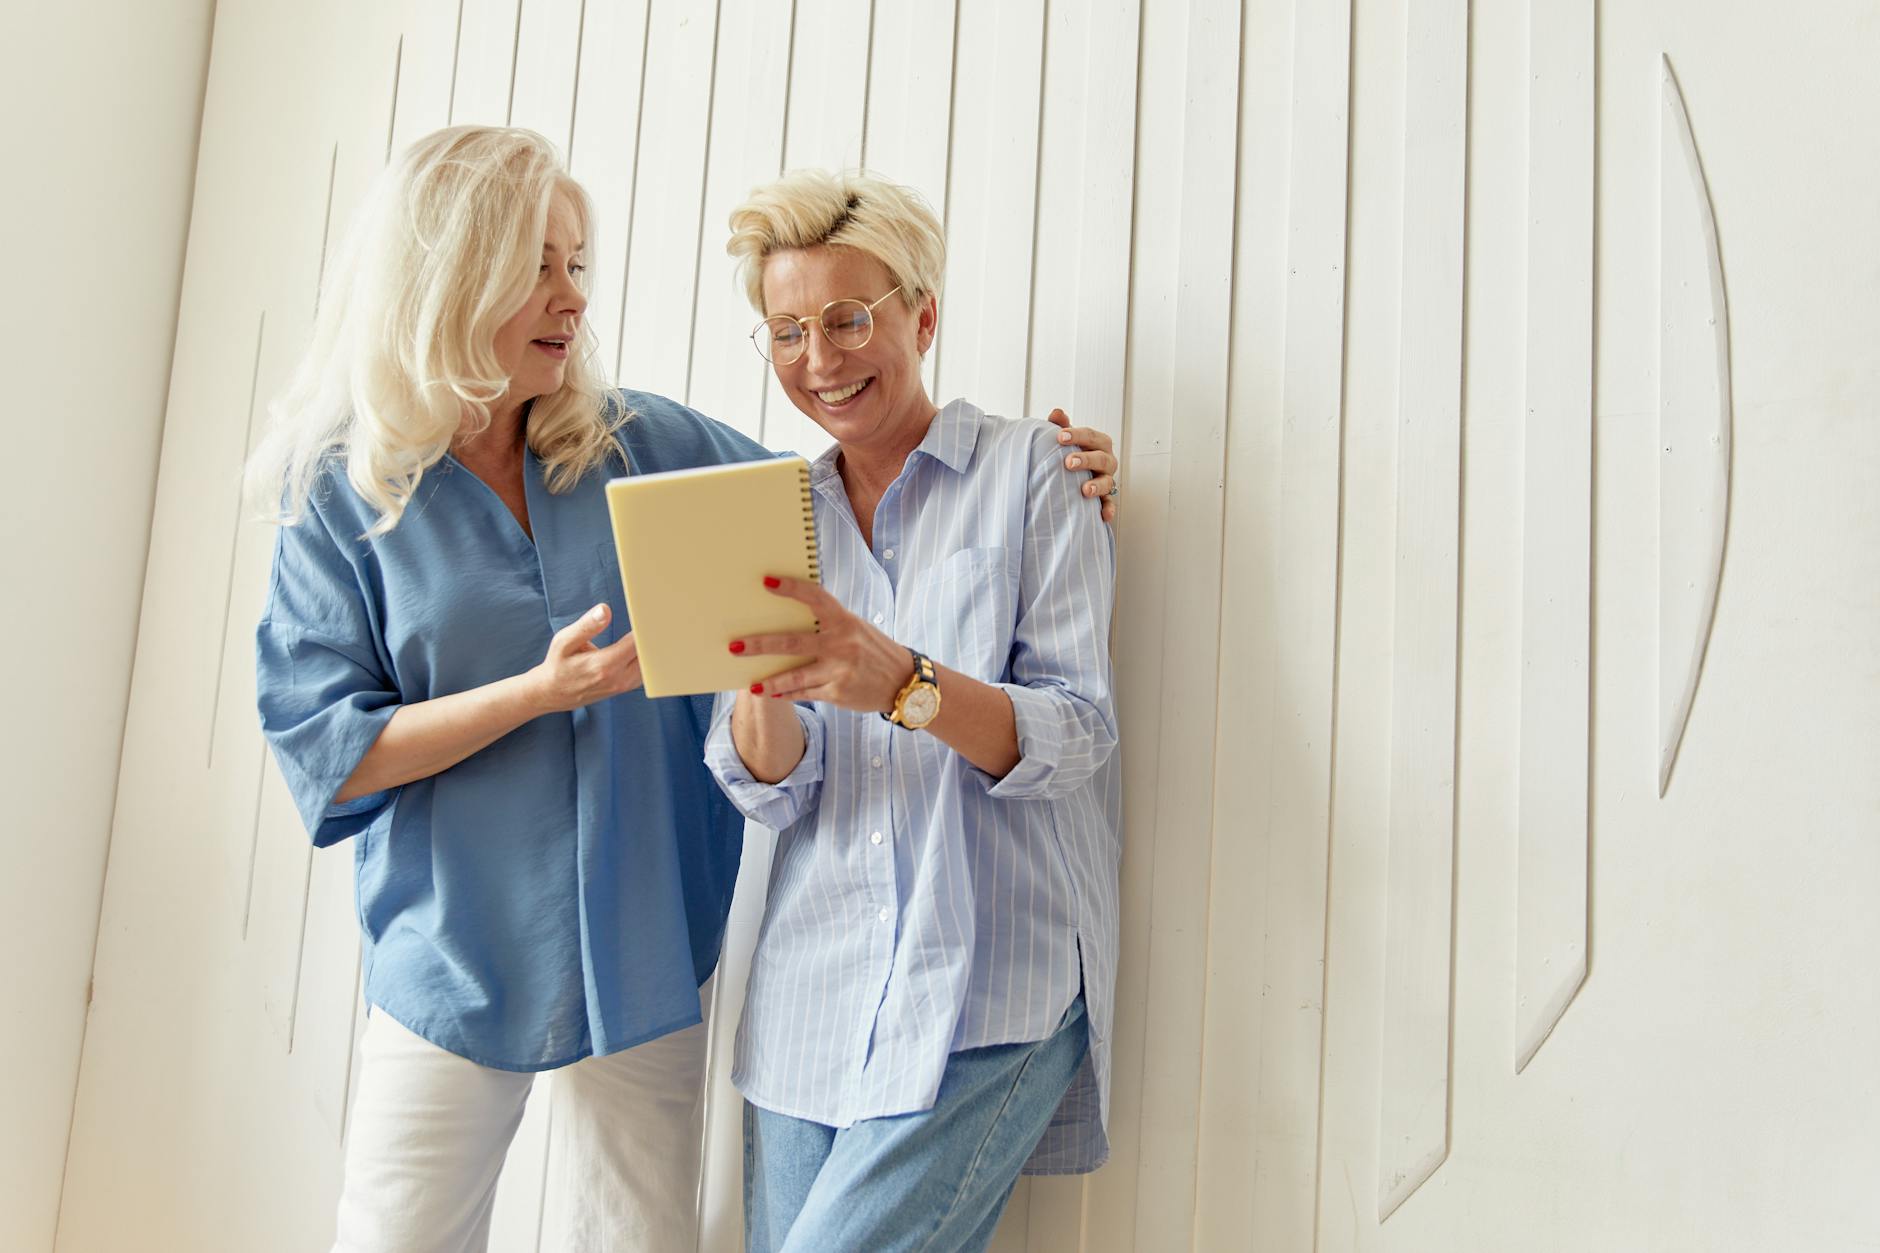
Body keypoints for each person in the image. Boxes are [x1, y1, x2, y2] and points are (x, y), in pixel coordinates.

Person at [246, 126, 1119, 1253]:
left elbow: (855, 469)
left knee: (637, 1238)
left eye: (577, 265)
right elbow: (328, 749)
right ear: (451, 276)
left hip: (641, 938)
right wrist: (532, 692)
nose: (572, 298)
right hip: (456, 950)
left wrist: (1060, 472)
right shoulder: (344, 494)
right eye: (539, 267)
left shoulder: (634, 442)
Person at [706, 170, 1120, 1253]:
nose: (820, 359)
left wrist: (899, 680)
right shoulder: (771, 513)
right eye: (786, 330)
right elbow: (769, 784)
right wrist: (756, 680)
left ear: (919, 316)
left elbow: (1075, 730)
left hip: (990, 987)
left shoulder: (1033, 475)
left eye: (848, 319)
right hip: (809, 999)